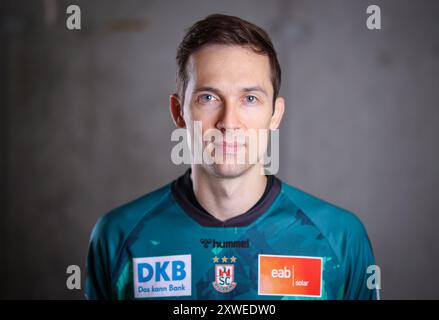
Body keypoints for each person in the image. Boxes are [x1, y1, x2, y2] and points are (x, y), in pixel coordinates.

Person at [85, 14, 379, 300]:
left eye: (250, 99)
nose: (229, 122)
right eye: (208, 98)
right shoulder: (119, 237)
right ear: (179, 112)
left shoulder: (339, 239)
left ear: (275, 114)